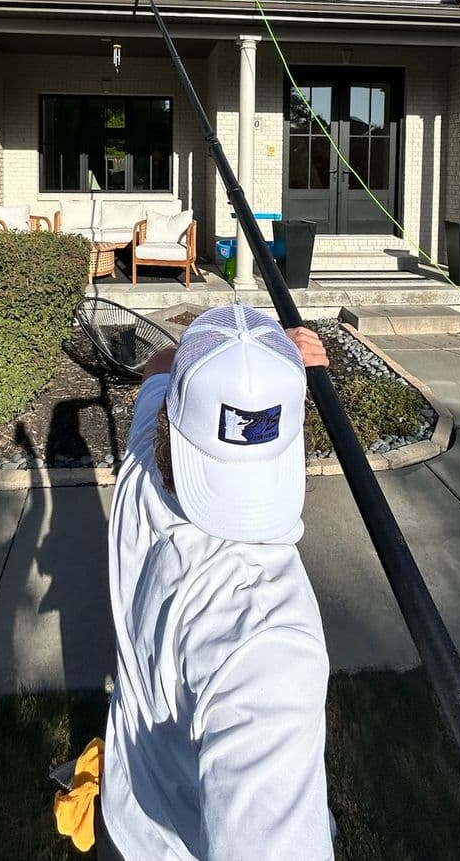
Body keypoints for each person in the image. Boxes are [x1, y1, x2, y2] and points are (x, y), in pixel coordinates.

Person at [98, 302, 334, 861]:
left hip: (125, 814)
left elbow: (160, 366)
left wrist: (241, 359)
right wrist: (276, 363)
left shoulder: (141, 471)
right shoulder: (268, 638)